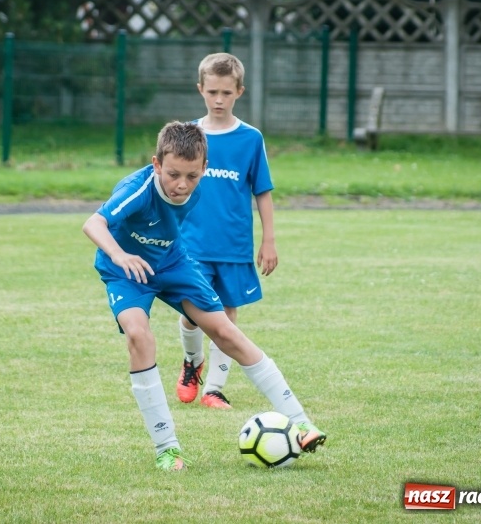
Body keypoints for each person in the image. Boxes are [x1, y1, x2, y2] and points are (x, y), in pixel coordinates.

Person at [82, 121, 325, 471]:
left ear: (204, 170)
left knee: (226, 332)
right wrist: (120, 255)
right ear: (156, 165)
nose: (181, 184)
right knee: (138, 335)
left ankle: (300, 422)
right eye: (173, 174)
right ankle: (167, 448)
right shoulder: (138, 189)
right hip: (126, 270)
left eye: (192, 176)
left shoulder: (199, 185)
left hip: (172, 262)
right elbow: (93, 223)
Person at [175, 52, 277, 410]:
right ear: (200, 89)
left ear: (240, 92)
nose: (219, 100)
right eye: (212, 91)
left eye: (227, 93)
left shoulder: (250, 139)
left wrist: (268, 240)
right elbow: (168, 185)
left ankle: (213, 390)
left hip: (233, 246)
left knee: (227, 317)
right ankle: (192, 362)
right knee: (190, 312)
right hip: (190, 244)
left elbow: (261, 191)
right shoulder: (187, 136)